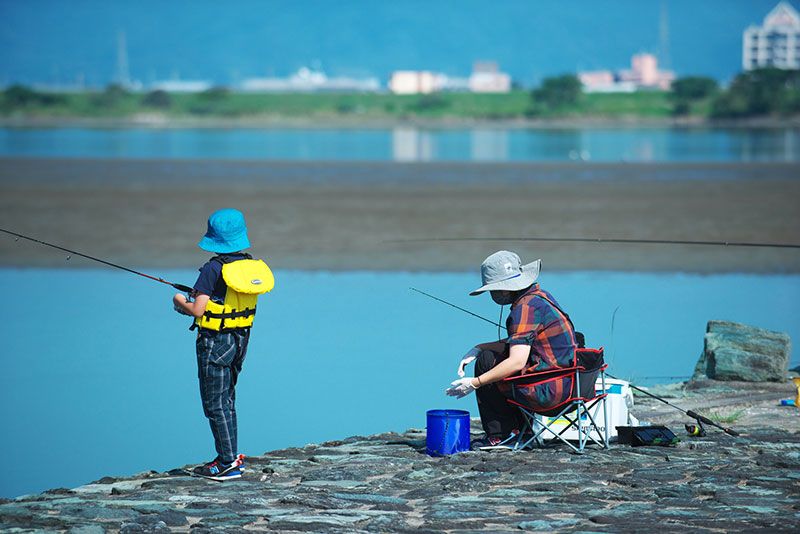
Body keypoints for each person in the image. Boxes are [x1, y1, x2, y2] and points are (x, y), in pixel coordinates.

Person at [172, 208, 274, 480]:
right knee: (227, 399)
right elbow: (228, 299)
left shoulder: (212, 268)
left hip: (215, 342)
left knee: (214, 403)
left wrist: (179, 301)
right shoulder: (247, 266)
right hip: (240, 341)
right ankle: (229, 457)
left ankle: (228, 463)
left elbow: (198, 310)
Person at [445, 250, 577, 449]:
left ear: (504, 290)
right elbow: (521, 341)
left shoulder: (524, 309)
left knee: (487, 362)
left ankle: (502, 435)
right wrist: (479, 347)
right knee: (487, 355)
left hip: (549, 393)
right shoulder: (539, 297)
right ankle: (521, 432)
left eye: (492, 290)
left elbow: (517, 361)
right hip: (571, 385)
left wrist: (474, 383)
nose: (492, 295)